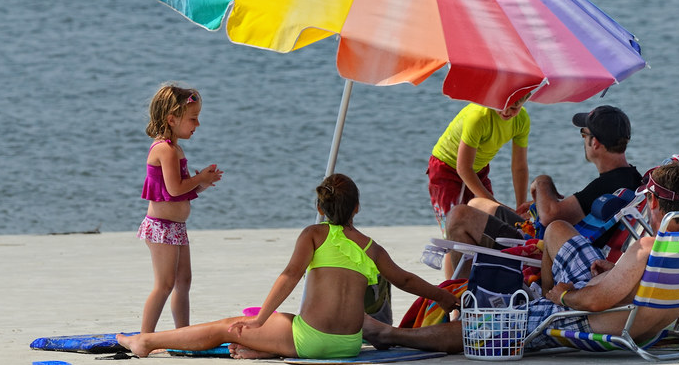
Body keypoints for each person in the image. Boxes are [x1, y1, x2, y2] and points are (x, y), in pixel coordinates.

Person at [363, 161, 679, 354]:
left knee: (485, 326)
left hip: (593, 318)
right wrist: (616, 270)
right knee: (557, 228)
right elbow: (641, 286)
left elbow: (595, 302)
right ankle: (542, 292)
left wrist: (562, 296)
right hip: (635, 316)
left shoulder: (646, 247)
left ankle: (390, 335)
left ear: (652, 202)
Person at [117, 174, 460, 359]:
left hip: (312, 342)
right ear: (357, 208)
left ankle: (146, 342)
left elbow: (290, 276)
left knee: (227, 326)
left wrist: (259, 319)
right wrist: (444, 298)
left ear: (320, 208)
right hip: (349, 344)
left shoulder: (313, 234)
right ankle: (261, 350)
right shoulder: (370, 246)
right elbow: (405, 280)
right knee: (285, 324)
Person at [443, 105, 641, 263]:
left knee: (459, 217)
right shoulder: (629, 178)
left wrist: (542, 182)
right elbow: (570, 212)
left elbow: (550, 216)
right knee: (477, 204)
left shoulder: (607, 184)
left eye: (583, 134)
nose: (583, 140)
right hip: (557, 240)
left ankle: (463, 291)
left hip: (540, 252)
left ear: (595, 143)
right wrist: (537, 204)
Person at [137, 84, 224, 334]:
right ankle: (145, 337)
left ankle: (182, 334)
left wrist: (202, 183)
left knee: (183, 282)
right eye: (193, 119)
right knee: (164, 284)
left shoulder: (175, 149)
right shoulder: (164, 150)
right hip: (161, 228)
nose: (197, 124)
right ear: (172, 119)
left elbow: (180, 191)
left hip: (176, 227)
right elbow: (175, 189)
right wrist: (199, 178)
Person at [427, 96, 531, 235]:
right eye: (501, 104)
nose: (506, 111)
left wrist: (520, 208)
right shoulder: (478, 116)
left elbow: (519, 167)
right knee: (454, 229)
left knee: (489, 223)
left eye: (513, 108)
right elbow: (463, 168)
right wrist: (499, 206)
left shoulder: (522, 119)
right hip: (446, 168)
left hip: (478, 169)